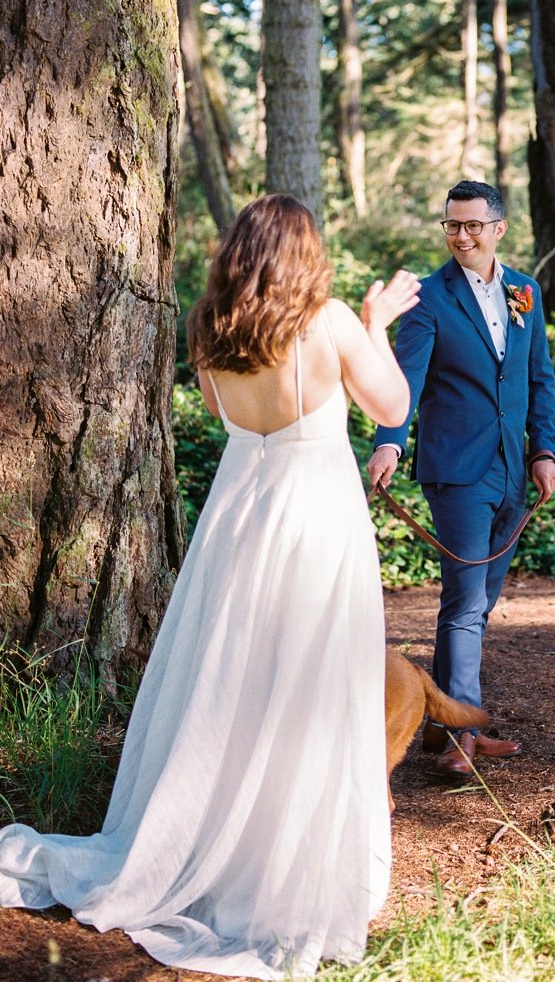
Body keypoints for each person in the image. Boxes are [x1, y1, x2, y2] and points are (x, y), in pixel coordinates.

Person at [0, 194, 418, 977]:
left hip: (238, 520)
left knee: (231, 680)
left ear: (236, 253)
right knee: (307, 684)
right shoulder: (325, 322)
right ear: (305, 254)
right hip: (316, 521)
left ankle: (208, 836)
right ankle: (273, 855)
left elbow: (231, 418)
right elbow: (392, 403)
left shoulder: (208, 328)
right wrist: (377, 321)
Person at [366, 179, 555, 776]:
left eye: (473, 225)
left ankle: (446, 720)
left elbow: (539, 379)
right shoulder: (429, 297)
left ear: (498, 228)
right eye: (452, 225)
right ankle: (459, 738)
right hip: (455, 471)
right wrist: (389, 443)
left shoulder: (525, 291)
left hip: (512, 469)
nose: (461, 236)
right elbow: (407, 378)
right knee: (465, 603)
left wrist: (544, 451)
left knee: (479, 601)